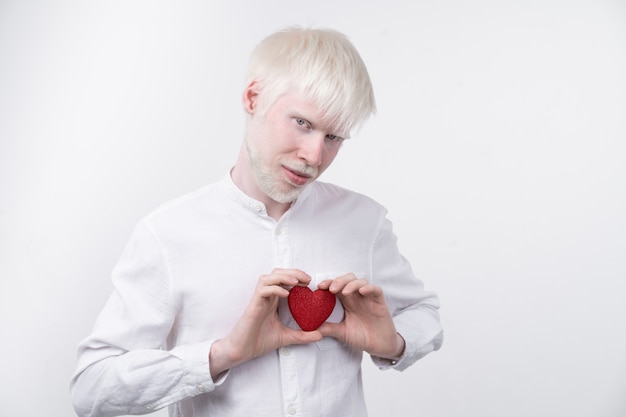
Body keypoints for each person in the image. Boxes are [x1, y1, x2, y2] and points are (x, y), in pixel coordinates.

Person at [70, 26, 443, 417]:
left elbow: (423, 313)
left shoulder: (365, 223)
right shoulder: (167, 235)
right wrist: (222, 354)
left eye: (334, 137)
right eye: (302, 123)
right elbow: (92, 388)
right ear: (253, 98)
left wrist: (393, 343)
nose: (314, 156)